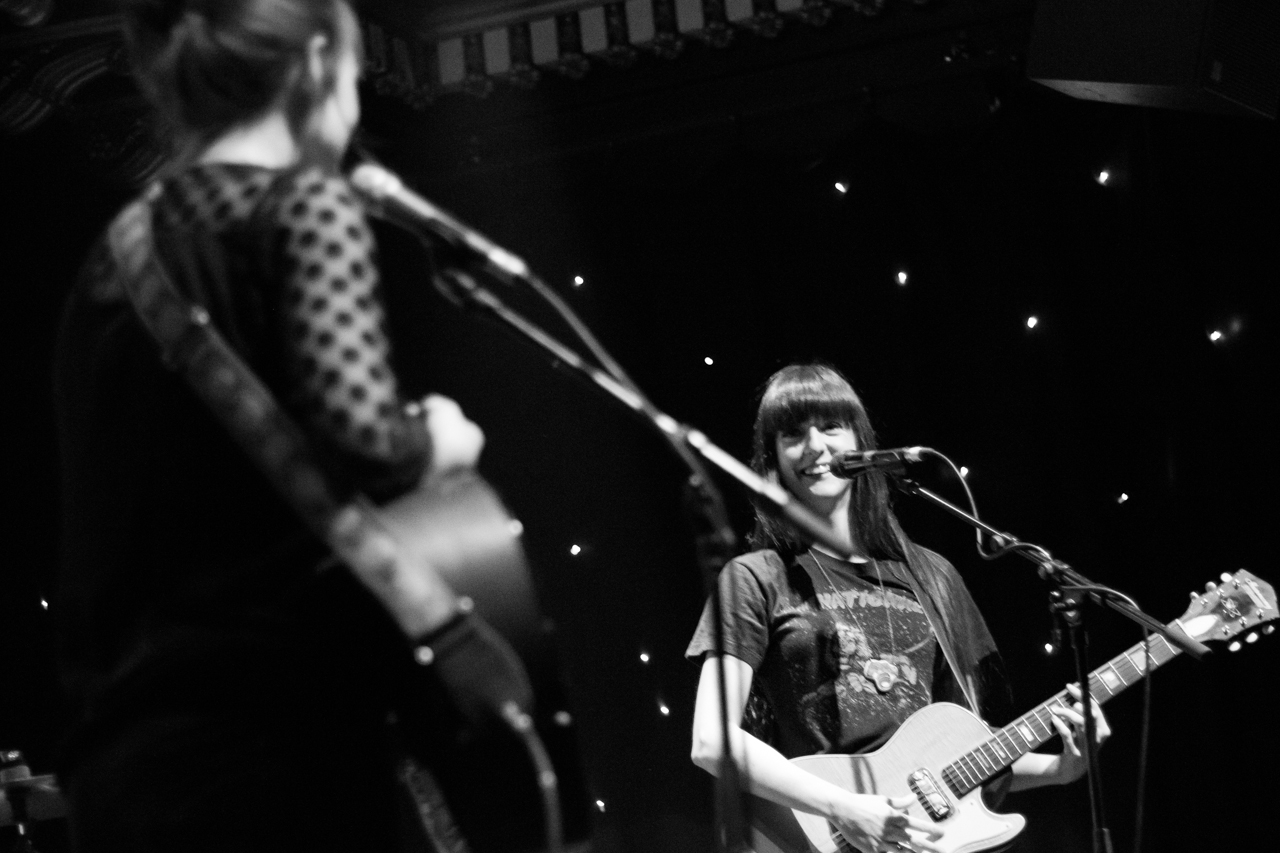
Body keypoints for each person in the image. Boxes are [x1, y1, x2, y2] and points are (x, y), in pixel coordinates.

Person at [52, 1, 484, 851]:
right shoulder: (306, 207)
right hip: (279, 742)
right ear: (319, 62)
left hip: (125, 759)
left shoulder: (110, 258)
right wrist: (439, 439)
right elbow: (366, 442)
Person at [686, 363, 1109, 853]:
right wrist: (843, 807)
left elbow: (960, 758)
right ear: (773, 458)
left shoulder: (933, 576)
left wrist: (1062, 769)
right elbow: (711, 741)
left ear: (860, 442)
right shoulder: (756, 576)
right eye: (793, 434)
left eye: (830, 426)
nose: (815, 447)